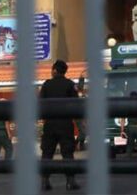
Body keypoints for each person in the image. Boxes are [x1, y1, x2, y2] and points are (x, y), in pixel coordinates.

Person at [40, 59, 79, 191]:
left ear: (55, 70)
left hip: (50, 123)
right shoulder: (70, 85)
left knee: (47, 153)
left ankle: (44, 181)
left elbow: (40, 104)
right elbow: (76, 105)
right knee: (67, 153)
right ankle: (70, 181)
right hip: (65, 123)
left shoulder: (46, 85)